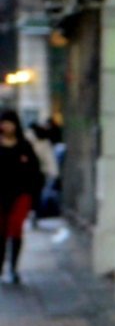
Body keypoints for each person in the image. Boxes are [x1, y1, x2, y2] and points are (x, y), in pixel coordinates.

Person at [0, 109, 44, 285]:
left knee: (15, 228)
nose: (6, 126)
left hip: (20, 194)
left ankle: (13, 267)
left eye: (9, 122)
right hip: (0, 195)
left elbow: (35, 171)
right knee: (1, 231)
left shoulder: (25, 146)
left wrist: (33, 194)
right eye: (4, 122)